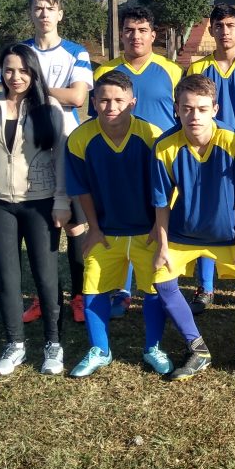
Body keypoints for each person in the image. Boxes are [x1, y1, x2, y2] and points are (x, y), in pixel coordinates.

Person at [0, 43, 70, 376]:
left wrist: (62, 200)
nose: (16, 76)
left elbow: (62, 159)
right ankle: (15, 344)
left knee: (46, 276)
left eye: (23, 70)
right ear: (1, 72)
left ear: (33, 71)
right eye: (9, 69)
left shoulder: (50, 107)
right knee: (7, 278)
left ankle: (53, 344)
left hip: (40, 203)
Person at [150, 75, 235, 381]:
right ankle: (197, 348)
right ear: (177, 109)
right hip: (183, 231)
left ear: (215, 108)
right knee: (161, 279)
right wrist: (162, 246)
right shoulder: (165, 146)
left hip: (227, 232)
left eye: (201, 108)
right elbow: (161, 203)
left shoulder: (231, 139)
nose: (194, 116)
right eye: (187, 108)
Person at [64, 71, 173, 378]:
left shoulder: (152, 135)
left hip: (146, 231)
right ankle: (100, 349)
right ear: (93, 102)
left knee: (154, 290)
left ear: (132, 103)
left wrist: (157, 227)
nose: (111, 106)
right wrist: (94, 228)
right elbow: (81, 188)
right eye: (104, 100)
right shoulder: (80, 138)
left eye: (119, 100)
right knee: (93, 289)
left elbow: (165, 187)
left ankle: (153, 347)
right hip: (106, 233)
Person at [92, 6, 183, 316]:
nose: (135, 35)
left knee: (159, 219)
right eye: (129, 30)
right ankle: (122, 287)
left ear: (153, 35)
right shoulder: (104, 72)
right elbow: (97, 119)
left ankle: (161, 279)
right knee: (124, 217)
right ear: (121, 34)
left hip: (160, 160)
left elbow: (179, 115)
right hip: (119, 159)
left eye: (142, 30)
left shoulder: (171, 70)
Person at [19, 0, 92, 325]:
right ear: (31, 13)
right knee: (40, 227)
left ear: (60, 13)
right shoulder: (19, 54)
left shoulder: (76, 52)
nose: (44, 14)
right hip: (28, 150)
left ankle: (79, 296)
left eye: (49, 8)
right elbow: (10, 96)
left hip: (69, 145)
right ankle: (42, 297)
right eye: (37, 8)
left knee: (77, 226)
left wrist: (35, 87)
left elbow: (77, 99)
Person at [188, 4, 235, 314]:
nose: (225, 31)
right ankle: (205, 287)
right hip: (207, 157)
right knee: (210, 217)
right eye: (219, 25)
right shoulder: (196, 69)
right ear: (210, 30)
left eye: (230, 25)